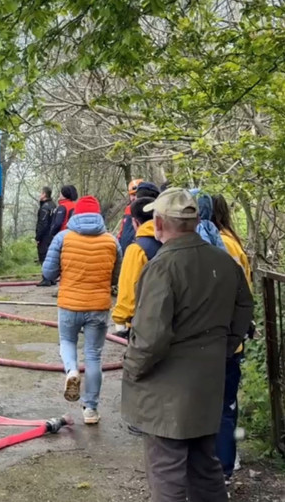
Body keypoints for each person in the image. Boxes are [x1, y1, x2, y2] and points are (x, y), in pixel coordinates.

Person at [122, 188, 254, 502]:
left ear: (157, 223)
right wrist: (223, 348)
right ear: (194, 222)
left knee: (166, 471)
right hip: (208, 381)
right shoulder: (223, 261)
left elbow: (151, 336)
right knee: (204, 465)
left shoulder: (162, 267)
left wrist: (133, 368)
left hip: (167, 389)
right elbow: (244, 308)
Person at [42, 195, 121, 424]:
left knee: (67, 342)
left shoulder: (62, 238)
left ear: (76, 214)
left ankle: (71, 372)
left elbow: (48, 273)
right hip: (98, 306)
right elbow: (117, 275)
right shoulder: (111, 241)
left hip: (69, 304)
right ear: (99, 215)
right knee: (94, 356)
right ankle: (90, 411)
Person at [211, 194, 253, 482]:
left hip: (220, 338)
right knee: (228, 404)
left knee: (220, 406)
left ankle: (222, 466)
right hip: (232, 337)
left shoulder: (219, 245)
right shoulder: (233, 242)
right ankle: (229, 458)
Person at [111, 197, 160, 339]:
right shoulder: (173, 242)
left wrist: (120, 317)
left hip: (144, 323)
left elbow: (129, 287)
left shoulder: (137, 249)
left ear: (135, 221)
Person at [117, 179, 143, 252]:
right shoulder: (128, 209)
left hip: (137, 249)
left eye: (136, 194)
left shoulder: (145, 211)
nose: (134, 198)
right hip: (124, 249)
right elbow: (122, 229)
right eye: (132, 195)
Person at [35, 186, 57, 264]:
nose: (39, 195)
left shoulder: (44, 208)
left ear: (44, 194)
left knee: (44, 259)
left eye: (41, 193)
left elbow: (43, 223)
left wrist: (38, 237)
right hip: (53, 236)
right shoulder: (54, 205)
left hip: (45, 238)